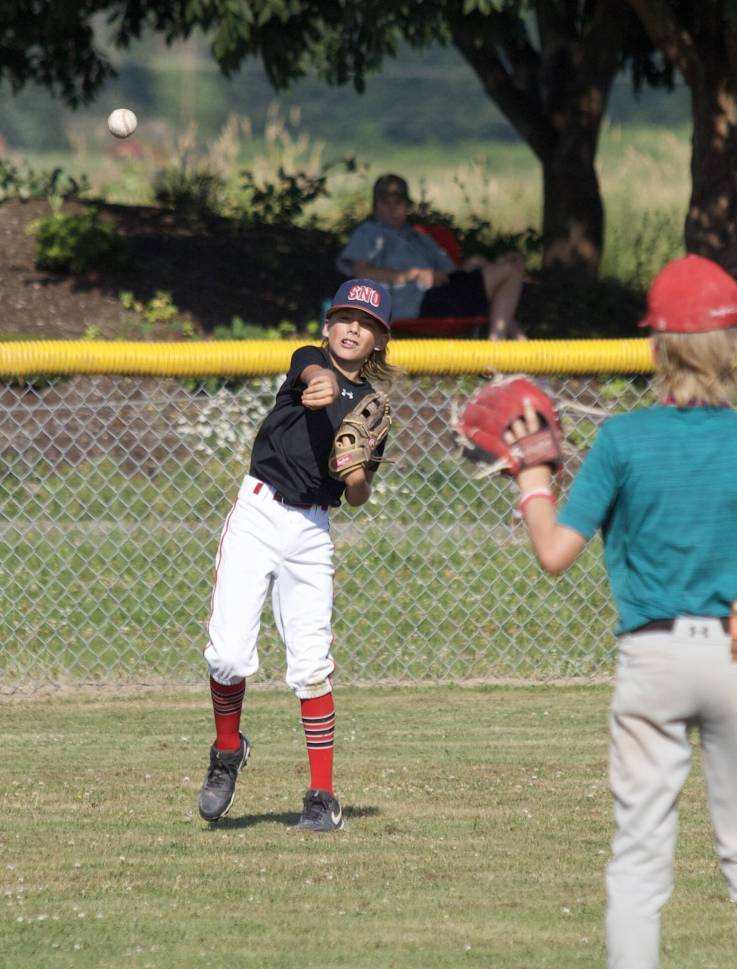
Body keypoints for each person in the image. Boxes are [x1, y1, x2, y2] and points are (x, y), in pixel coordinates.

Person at [505, 255, 737, 969]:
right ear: (733, 346)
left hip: (652, 647)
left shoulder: (623, 441)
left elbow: (555, 554)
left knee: (642, 857)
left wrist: (533, 475)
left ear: (656, 348)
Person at [197, 278, 396, 833]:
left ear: (380, 340)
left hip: (311, 531)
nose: (354, 328)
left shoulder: (374, 408)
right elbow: (311, 372)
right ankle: (228, 750)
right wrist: (321, 387)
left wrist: (356, 472)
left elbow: (358, 495)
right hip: (258, 512)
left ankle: (322, 796)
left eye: (368, 323)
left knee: (311, 665)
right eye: (345, 318)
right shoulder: (308, 362)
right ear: (328, 328)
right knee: (229, 656)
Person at [337, 173, 527, 340]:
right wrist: (415, 274)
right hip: (412, 302)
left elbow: (451, 272)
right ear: (376, 206)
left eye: (398, 203)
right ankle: (503, 352)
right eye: (386, 203)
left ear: (407, 205)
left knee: (508, 269)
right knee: (509, 272)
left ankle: (509, 349)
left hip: (443, 295)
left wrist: (474, 265)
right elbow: (360, 271)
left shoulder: (419, 236)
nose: (392, 209)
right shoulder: (369, 233)